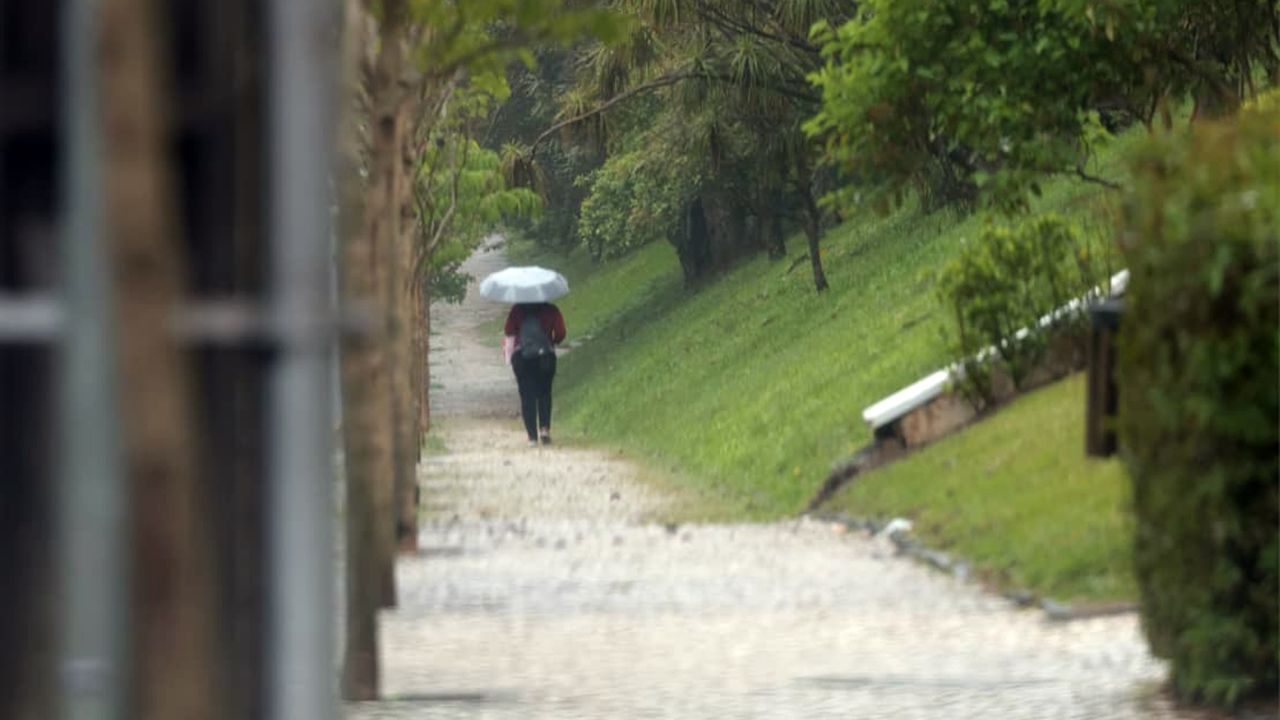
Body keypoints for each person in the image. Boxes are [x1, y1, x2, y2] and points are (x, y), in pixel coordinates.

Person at [504, 302, 566, 447]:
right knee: (545, 392)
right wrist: (550, 341)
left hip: (522, 357)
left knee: (527, 396)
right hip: (545, 356)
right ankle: (544, 429)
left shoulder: (517, 310)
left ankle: (532, 437)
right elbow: (561, 333)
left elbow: (508, 331)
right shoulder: (552, 310)